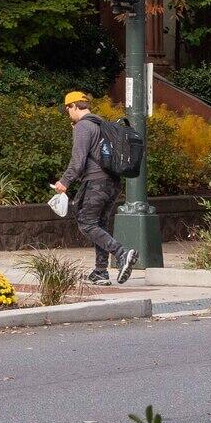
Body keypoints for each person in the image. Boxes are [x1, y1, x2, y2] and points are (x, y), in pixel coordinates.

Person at [54, 91, 136, 284]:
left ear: (74, 106)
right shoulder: (101, 123)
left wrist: (64, 182)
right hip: (113, 182)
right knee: (100, 225)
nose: (68, 113)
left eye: (68, 109)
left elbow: (78, 161)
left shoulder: (83, 126)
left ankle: (122, 253)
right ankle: (100, 272)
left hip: (96, 182)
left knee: (86, 222)